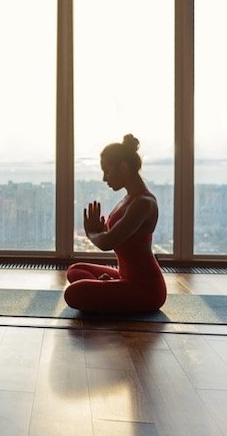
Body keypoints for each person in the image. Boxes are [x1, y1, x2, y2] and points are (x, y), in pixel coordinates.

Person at [64, 134, 166, 314]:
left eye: (107, 171)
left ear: (124, 167)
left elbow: (107, 243)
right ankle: (112, 287)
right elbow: (120, 236)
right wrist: (101, 230)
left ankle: (111, 289)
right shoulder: (129, 199)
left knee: (73, 293)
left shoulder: (143, 203)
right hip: (123, 276)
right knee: (75, 270)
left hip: (146, 288)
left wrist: (92, 234)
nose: (105, 178)